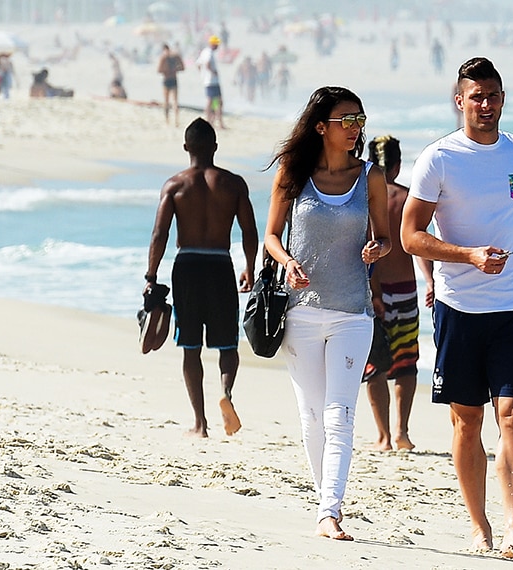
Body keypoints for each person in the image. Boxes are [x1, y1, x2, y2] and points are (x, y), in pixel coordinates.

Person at [400, 57, 513, 560]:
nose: (487, 105)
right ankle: (480, 526)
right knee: (467, 422)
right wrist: (468, 255)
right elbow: (410, 236)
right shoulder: (440, 159)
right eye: (477, 97)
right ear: (460, 100)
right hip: (457, 309)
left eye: (494, 96)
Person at [262, 86, 391, 541]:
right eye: (347, 121)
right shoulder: (293, 174)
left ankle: (329, 510)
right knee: (311, 416)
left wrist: (379, 248)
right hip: (301, 311)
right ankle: (325, 502)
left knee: (340, 414)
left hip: (353, 312)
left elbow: (386, 237)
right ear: (322, 127)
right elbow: (271, 236)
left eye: (360, 119)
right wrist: (287, 262)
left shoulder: (371, 177)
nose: (357, 128)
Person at [145, 117, 259, 438]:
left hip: (188, 266)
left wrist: (151, 275)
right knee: (227, 345)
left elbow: (159, 235)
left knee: (190, 347)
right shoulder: (233, 184)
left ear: (186, 147)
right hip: (220, 265)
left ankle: (200, 423)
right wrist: (250, 268)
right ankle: (226, 393)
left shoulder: (175, 185)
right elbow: (249, 232)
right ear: (215, 147)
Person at [362, 135, 435, 451]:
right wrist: (430, 281)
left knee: (374, 363)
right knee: (405, 364)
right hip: (404, 291)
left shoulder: (361, 198)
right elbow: (418, 245)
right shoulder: (407, 199)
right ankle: (402, 432)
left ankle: (383, 436)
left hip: (369, 291)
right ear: (397, 164)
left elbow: (359, 246)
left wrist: (372, 291)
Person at [196, 36, 225, 129]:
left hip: (208, 81)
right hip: (212, 81)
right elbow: (207, 63)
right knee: (216, 101)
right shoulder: (209, 52)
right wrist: (213, 72)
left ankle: (211, 121)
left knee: (213, 101)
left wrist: (202, 75)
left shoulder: (205, 51)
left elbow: (198, 64)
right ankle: (216, 122)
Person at [158, 43, 185, 126]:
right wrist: (174, 70)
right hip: (174, 79)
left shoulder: (163, 57)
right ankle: (176, 120)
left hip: (166, 80)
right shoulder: (175, 56)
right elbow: (182, 67)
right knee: (175, 101)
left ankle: (167, 120)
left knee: (166, 101)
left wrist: (167, 71)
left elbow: (159, 70)